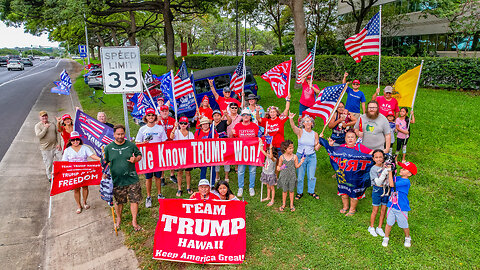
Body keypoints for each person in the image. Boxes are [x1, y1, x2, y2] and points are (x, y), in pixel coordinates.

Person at [104, 125, 143, 232]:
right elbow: (105, 163)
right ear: (114, 134)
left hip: (132, 178)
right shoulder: (108, 148)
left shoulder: (131, 145)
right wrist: (105, 173)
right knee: (118, 202)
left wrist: (136, 159)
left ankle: (134, 221)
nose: (120, 136)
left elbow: (139, 155)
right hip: (117, 180)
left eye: (122, 134)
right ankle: (119, 218)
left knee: (134, 200)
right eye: (118, 134)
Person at [328, 130, 372, 216]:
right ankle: (345, 207)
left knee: (354, 193)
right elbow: (332, 153)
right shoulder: (342, 147)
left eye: (352, 137)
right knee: (344, 191)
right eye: (348, 137)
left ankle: (352, 209)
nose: (350, 139)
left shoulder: (360, 147)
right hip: (344, 175)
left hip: (356, 176)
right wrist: (330, 145)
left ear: (356, 139)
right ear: (345, 139)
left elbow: (372, 154)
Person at [62, 131, 101, 214]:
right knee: (76, 189)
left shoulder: (85, 148)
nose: (75, 141)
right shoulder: (67, 150)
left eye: (77, 139)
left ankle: (84, 202)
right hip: (74, 173)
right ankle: (78, 205)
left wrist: (100, 159)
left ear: (79, 139)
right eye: (73, 140)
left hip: (84, 172)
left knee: (85, 187)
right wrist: (56, 171)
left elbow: (92, 156)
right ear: (70, 141)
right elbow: (64, 163)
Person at [135, 108, 168, 208]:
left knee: (158, 177)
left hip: (157, 156)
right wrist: (143, 143)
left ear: (155, 117)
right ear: (146, 117)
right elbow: (136, 142)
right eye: (148, 115)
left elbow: (164, 142)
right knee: (148, 178)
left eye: (152, 115)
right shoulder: (142, 129)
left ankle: (159, 194)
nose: (150, 117)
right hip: (147, 158)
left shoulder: (160, 128)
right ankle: (148, 196)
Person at [382, 161, 418, 248]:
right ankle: (386, 238)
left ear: (409, 174)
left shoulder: (406, 182)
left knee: (403, 224)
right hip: (391, 205)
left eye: (404, 169)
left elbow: (391, 184)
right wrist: (390, 169)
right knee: (389, 223)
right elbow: (390, 179)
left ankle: (407, 237)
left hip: (401, 207)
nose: (401, 169)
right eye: (401, 168)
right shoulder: (398, 178)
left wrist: (390, 172)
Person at [289, 113, 322, 200]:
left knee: (311, 176)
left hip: (311, 157)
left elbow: (317, 148)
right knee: (300, 176)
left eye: (309, 121)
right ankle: (299, 192)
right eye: (306, 121)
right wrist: (291, 119)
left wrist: (321, 142)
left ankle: (311, 191)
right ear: (303, 123)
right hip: (300, 156)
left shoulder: (315, 134)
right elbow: (293, 127)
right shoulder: (300, 131)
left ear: (312, 123)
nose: (307, 122)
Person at [232, 108, 260, 197]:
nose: (246, 116)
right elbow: (234, 138)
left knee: (253, 170)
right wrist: (233, 133)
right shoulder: (237, 126)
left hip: (252, 152)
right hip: (241, 152)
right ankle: (241, 187)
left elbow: (258, 137)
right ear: (242, 116)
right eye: (244, 115)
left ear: (250, 116)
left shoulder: (254, 126)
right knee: (240, 171)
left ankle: (251, 187)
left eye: (247, 115)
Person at [276, 140, 305, 212]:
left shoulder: (294, 157)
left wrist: (301, 161)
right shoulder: (282, 157)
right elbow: (278, 168)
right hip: (284, 176)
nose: (292, 149)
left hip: (292, 176)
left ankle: (291, 205)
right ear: (285, 149)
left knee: (291, 191)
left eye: (292, 147)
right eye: (290, 148)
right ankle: (283, 204)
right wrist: (280, 167)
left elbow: (297, 166)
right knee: (285, 191)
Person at [170, 116, 194, 196]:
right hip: (179, 155)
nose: (183, 125)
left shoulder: (190, 134)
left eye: (185, 123)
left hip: (187, 155)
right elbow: (171, 137)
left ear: (188, 124)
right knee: (179, 172)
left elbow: (192, 144)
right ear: (179, 124)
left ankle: (188, 187)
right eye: (181, 123)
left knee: (188, 172)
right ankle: (179, 188)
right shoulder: (176, 132)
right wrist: (174, 127)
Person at [35, 111, 61, 182]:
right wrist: (45, 128)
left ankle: (62, 174)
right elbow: (39, 136)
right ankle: (50, 176)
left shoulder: (52, 123)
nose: (44, 117)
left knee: (62, 160)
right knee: (49, 163)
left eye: (45, 116)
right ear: (40, 117)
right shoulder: (38, 126)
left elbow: (57, 133)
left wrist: (59, 144)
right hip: (46, 148)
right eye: (43, 116)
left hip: (55, 146)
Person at [368, 150, 388, 237]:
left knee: (383, 209)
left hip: (386, 190)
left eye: (380, 157)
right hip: (377, 190)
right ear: (373, 159)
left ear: (383, 158)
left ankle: (379, 227)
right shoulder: (373, 169)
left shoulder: (386, 167)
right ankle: (371, 227)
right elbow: (378, 183)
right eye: (376, 157)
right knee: (375, 210)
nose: (379, 159)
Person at [195, 117, 219, 185]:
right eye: (203, 124)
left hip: (211, 153)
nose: (205, 125)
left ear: (209, 124)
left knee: (212, 169)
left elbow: (217, 139)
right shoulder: (198, 132)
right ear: (201, 125)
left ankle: (212, 183)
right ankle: (203, 183)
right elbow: (195, 142)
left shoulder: (213, 132)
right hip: (202, 154)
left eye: (206, 124)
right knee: (203, 169)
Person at [158, 105, 177, 185]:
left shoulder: (172, 120)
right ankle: (162, 177)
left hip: (171, 142)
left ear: (168, 112)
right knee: (162, 160)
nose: (165, 112)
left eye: (166, 111)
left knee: (171, 159)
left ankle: (172, 175)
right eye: (163, 111)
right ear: (160, 112)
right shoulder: (158, 121)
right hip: (161, 143)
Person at [212, 109, 231, 182]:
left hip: (224, 143)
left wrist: (226, 115)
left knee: (226, 158)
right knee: (216, 159)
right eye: (215, 116)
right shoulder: (211, 124)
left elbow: (229, 121)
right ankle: (217, 175)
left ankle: (226, 175)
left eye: (218, 115)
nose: (216, 117)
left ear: (220, 116)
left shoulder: (223, 122)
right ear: (213, 117)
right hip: (215, 144)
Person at [259, 141, 278, 206]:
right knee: (267, 186)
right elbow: (261, 149)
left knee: (272, 187)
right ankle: (268, 197)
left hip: (270, 175)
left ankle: (272, 200)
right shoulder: (267, 156)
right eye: (267, 152)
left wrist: (270, 148)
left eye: (269, 152)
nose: (267, 153)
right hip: (265, 173)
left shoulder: (274, 159)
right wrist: (261, 142)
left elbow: (271, 156)